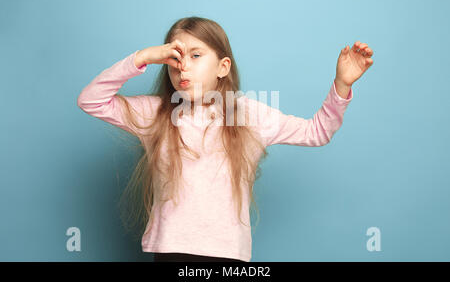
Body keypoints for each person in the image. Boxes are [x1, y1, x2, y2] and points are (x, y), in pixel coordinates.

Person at [77, 16, 374, 262]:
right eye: (173, 59)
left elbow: (317, 132)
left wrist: (342, 84)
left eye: (195, 56)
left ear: (222, 67)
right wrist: (142, 58)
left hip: (228, 256)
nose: (183, 66)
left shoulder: (249, 114)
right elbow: (91, 100)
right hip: (170, 252)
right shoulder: (154, 114)